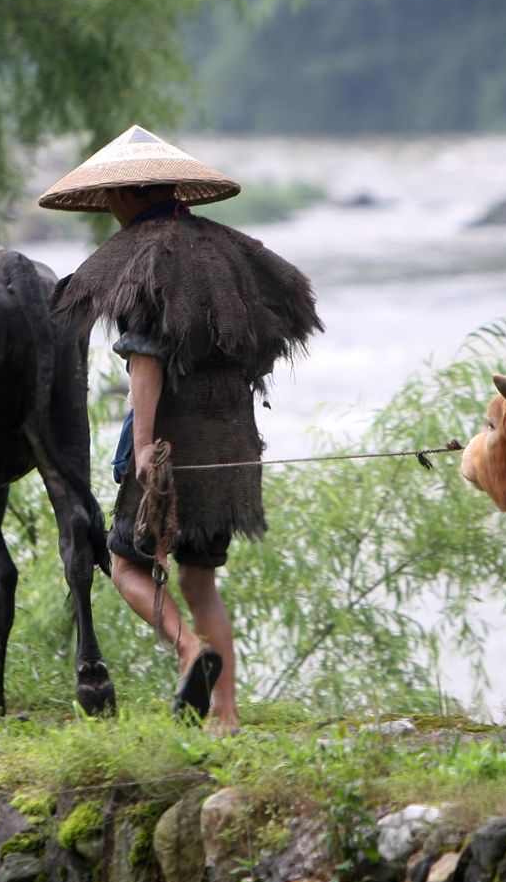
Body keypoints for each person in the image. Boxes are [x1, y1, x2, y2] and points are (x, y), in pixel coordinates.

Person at [40, 125, 321, 733]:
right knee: (200, 580)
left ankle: (190, 651)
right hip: (234, 443)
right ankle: (226, 716)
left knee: (124, 567)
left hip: (171, 445)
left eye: (114, 198)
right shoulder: (235, 255)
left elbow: (147, 362)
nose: (111, 210)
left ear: (131, 193)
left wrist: (142, 447)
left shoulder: (146, 259)